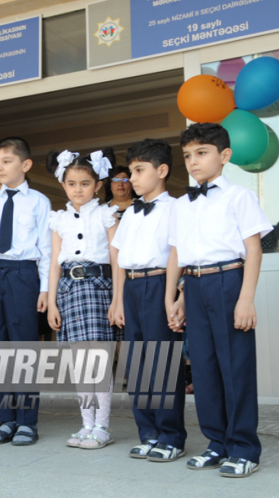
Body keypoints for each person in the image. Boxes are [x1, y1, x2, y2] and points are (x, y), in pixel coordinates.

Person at [167, 123, 272, 477]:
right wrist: (179, 297)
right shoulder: (181, 204)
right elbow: (183, 254)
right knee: (204, 369)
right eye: (187, 155)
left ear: (224, 156)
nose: (192, 161)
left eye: (201, 153)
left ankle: (244, 447)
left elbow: (253, 250)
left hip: (229, 281)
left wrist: (246, 299)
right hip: (194, 286)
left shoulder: (239, 196)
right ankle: (217, 442)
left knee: (235, 367)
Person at [0, 137, 51, 446]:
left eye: (7, 161)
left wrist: (44, 289)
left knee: (24, 345)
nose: (0, 168)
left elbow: (45, 249)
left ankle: (27, 421)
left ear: (25, 164)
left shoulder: (39, 202)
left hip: (23, 274)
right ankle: (5, 419)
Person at [111, 139, 187, 461]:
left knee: (163, 363)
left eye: (139, 171)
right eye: (130, 172)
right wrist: (117, 300)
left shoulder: (176, 208)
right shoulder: (130, 214)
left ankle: (171, 436)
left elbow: (176, 252)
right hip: (132, 288)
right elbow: (117, 256)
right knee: (137, 366)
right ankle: (149, 433)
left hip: (158, 285)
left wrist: (172, 297)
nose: (132, 179)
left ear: (162, 170)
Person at [46, 148, 122, 449]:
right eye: (72, 183)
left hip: (99, 289)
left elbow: (118, 261)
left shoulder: (107, 214)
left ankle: (103, 426)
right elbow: (54, 262)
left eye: (85, 183)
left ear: (98, 184)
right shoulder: (58, 219)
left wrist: (118, 299)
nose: (78, 189)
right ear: (63, 185)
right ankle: (86, 423)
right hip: (68, 291)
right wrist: (51, 302)